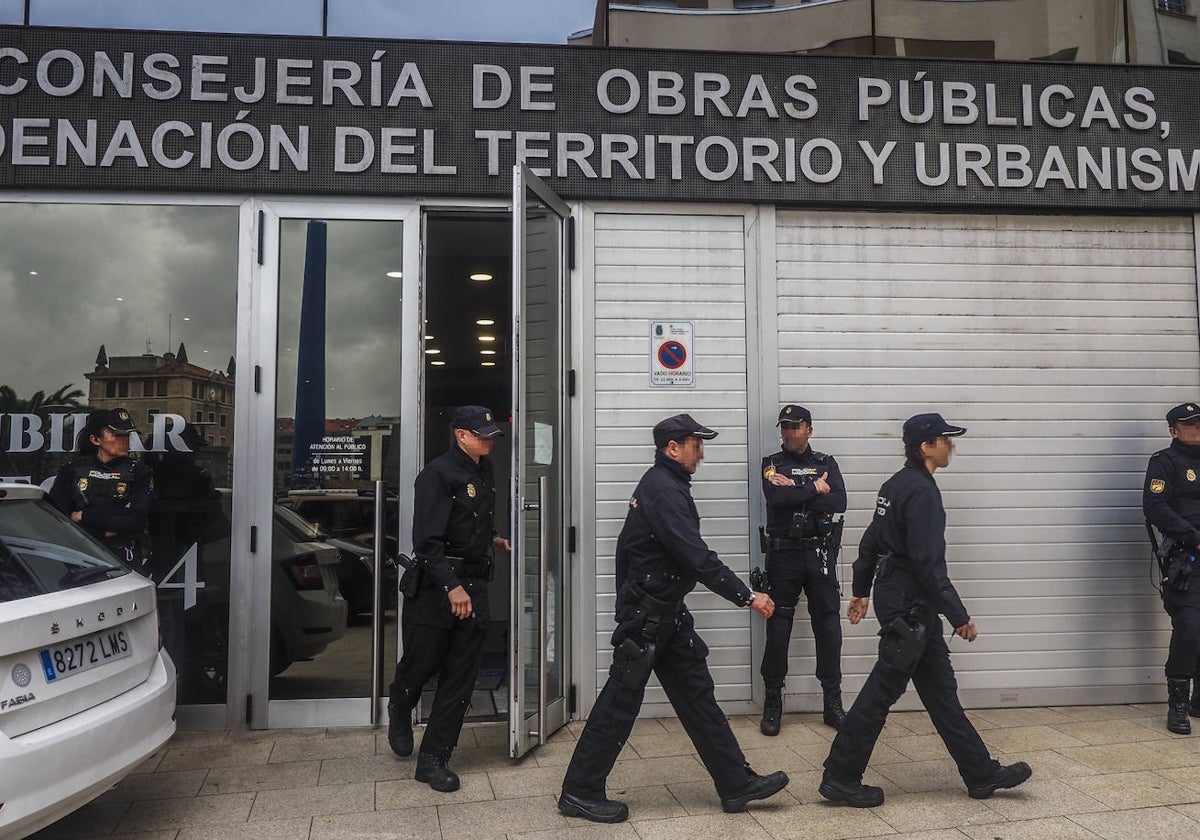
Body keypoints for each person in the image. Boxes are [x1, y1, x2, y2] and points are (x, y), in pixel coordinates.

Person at [558, 414, 789, 824]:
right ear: (673, 448)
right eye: (695, 444)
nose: (701, 451)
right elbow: (695, 556)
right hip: (647, 616)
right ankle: (579, 791)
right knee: (619, 703)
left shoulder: (667, 485)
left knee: (699, 699)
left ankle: (735, 784)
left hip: (666, 614)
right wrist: (748, 596)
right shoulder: (662, 489)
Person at [820, 413, 1031, 807]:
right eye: (944, 440)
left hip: (905, 601)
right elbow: (928, 563)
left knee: (941, 694)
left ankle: (980, 773)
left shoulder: (895, 485)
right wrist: (959, 616)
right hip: (910, 605)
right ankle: (841, 777)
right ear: (925, 447)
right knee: (882, 692)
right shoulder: (921, 492)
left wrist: (862, 590)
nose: (951, 446)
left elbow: (871, 540)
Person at [386, 405, 511, 792]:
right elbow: (427, 542)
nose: (489, 439)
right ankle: (400, 704)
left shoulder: (482, 470)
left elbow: (469, 522)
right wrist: (451, 586)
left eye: (490, 433)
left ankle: (433, 759)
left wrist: (491, 540)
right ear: (461, 435)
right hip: (436, 589)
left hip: (474, 584)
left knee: (461, 676)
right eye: (481, 434)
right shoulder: (436, 475)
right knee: (422, 663)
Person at [758, 404, 848, 735]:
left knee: (828, 627)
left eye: (796, 427)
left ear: (809, 429)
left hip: (820, 554)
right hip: (784, 557)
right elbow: (775, 499)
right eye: (785, 427)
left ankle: (832, 702)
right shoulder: (771, 464)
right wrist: (813, 489)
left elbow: (839, 501)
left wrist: (795, 492)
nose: (789, 433)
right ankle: (772, 702)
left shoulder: (825, 463)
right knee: (778, 627)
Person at [1143, 402, 1200, 735]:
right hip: (1186, 560)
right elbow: (1154, 507)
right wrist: (1194, 538)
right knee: (1190, 628)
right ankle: (1178, 705)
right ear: (1173, 431)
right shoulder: (1164, 464)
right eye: (1190, 424)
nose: (1197, 429)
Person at [47, 407, 154, 565]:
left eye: (127, 435)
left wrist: (83, 516)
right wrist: (109, 523)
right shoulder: (72, 470)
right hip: (80, 555)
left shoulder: (139, 471)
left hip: (123, 556)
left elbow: (133, 521)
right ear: (96, 439)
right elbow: (59, 519)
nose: (124, 440)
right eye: (117, 435)